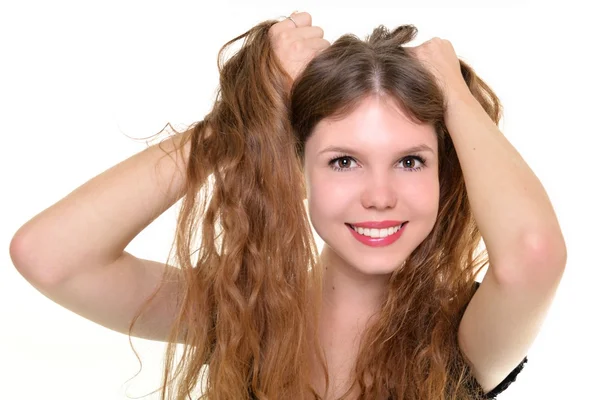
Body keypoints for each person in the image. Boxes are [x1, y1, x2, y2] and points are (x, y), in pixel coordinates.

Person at [9, 11, 566, 400]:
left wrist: (453, 87)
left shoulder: (468, 333)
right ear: (299, 171)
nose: (379, 196)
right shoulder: (240, 315)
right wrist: (242, 121)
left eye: (411, 161)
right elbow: (50, 256)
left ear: (448, 171)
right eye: (343, 161)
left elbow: (533, 254)